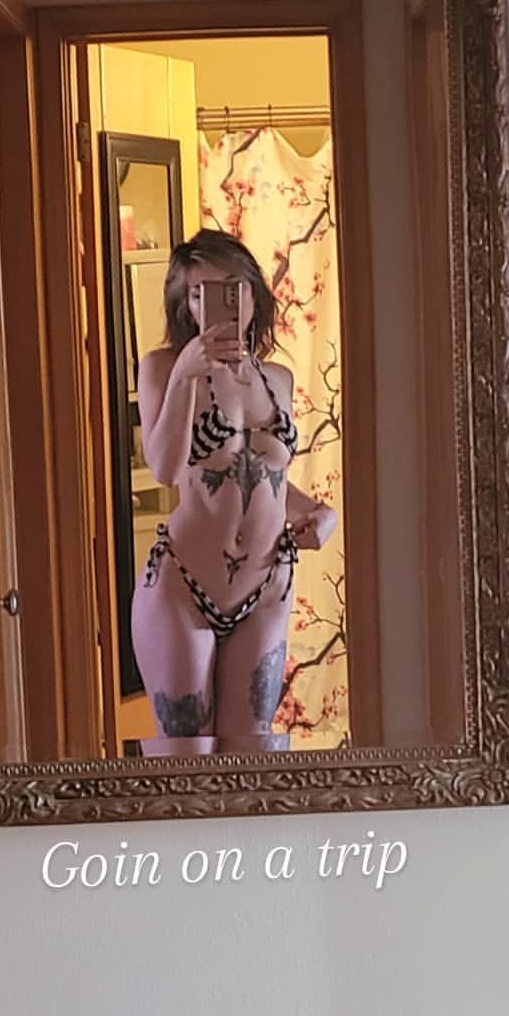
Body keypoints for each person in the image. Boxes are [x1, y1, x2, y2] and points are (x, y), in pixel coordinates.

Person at [131, 229, 338, 756]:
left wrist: (320, 512)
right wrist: (185, 376)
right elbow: (166, 468)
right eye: (197, 293)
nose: (213, 303)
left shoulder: (278, 378)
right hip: (184, 587)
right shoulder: (162, 368)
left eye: (229, 287)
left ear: (252, 292)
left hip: (265, 587)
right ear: (184, 304)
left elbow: (262, 474)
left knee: (253, 762)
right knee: (186, 758)